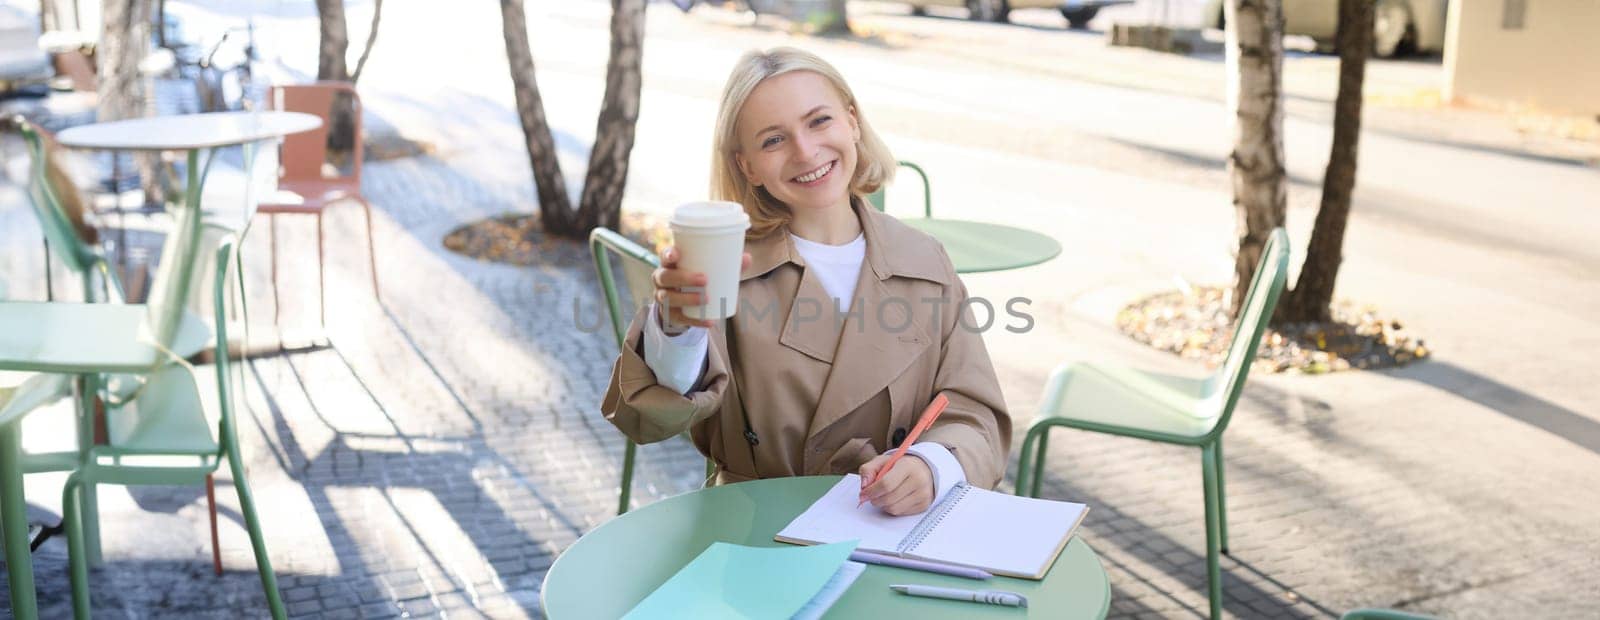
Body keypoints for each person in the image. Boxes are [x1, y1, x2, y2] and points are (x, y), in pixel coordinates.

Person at [601, 47, 1009, 516]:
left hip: (895, 530)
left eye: (819, 121)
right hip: (756, 534)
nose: (805, 150)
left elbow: (976, 413)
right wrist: (678, 328)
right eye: (773, 140)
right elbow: (646, 419)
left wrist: (931, 465)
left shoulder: (925, 259)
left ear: (852, 123)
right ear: (747, 165)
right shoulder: (723, 266)